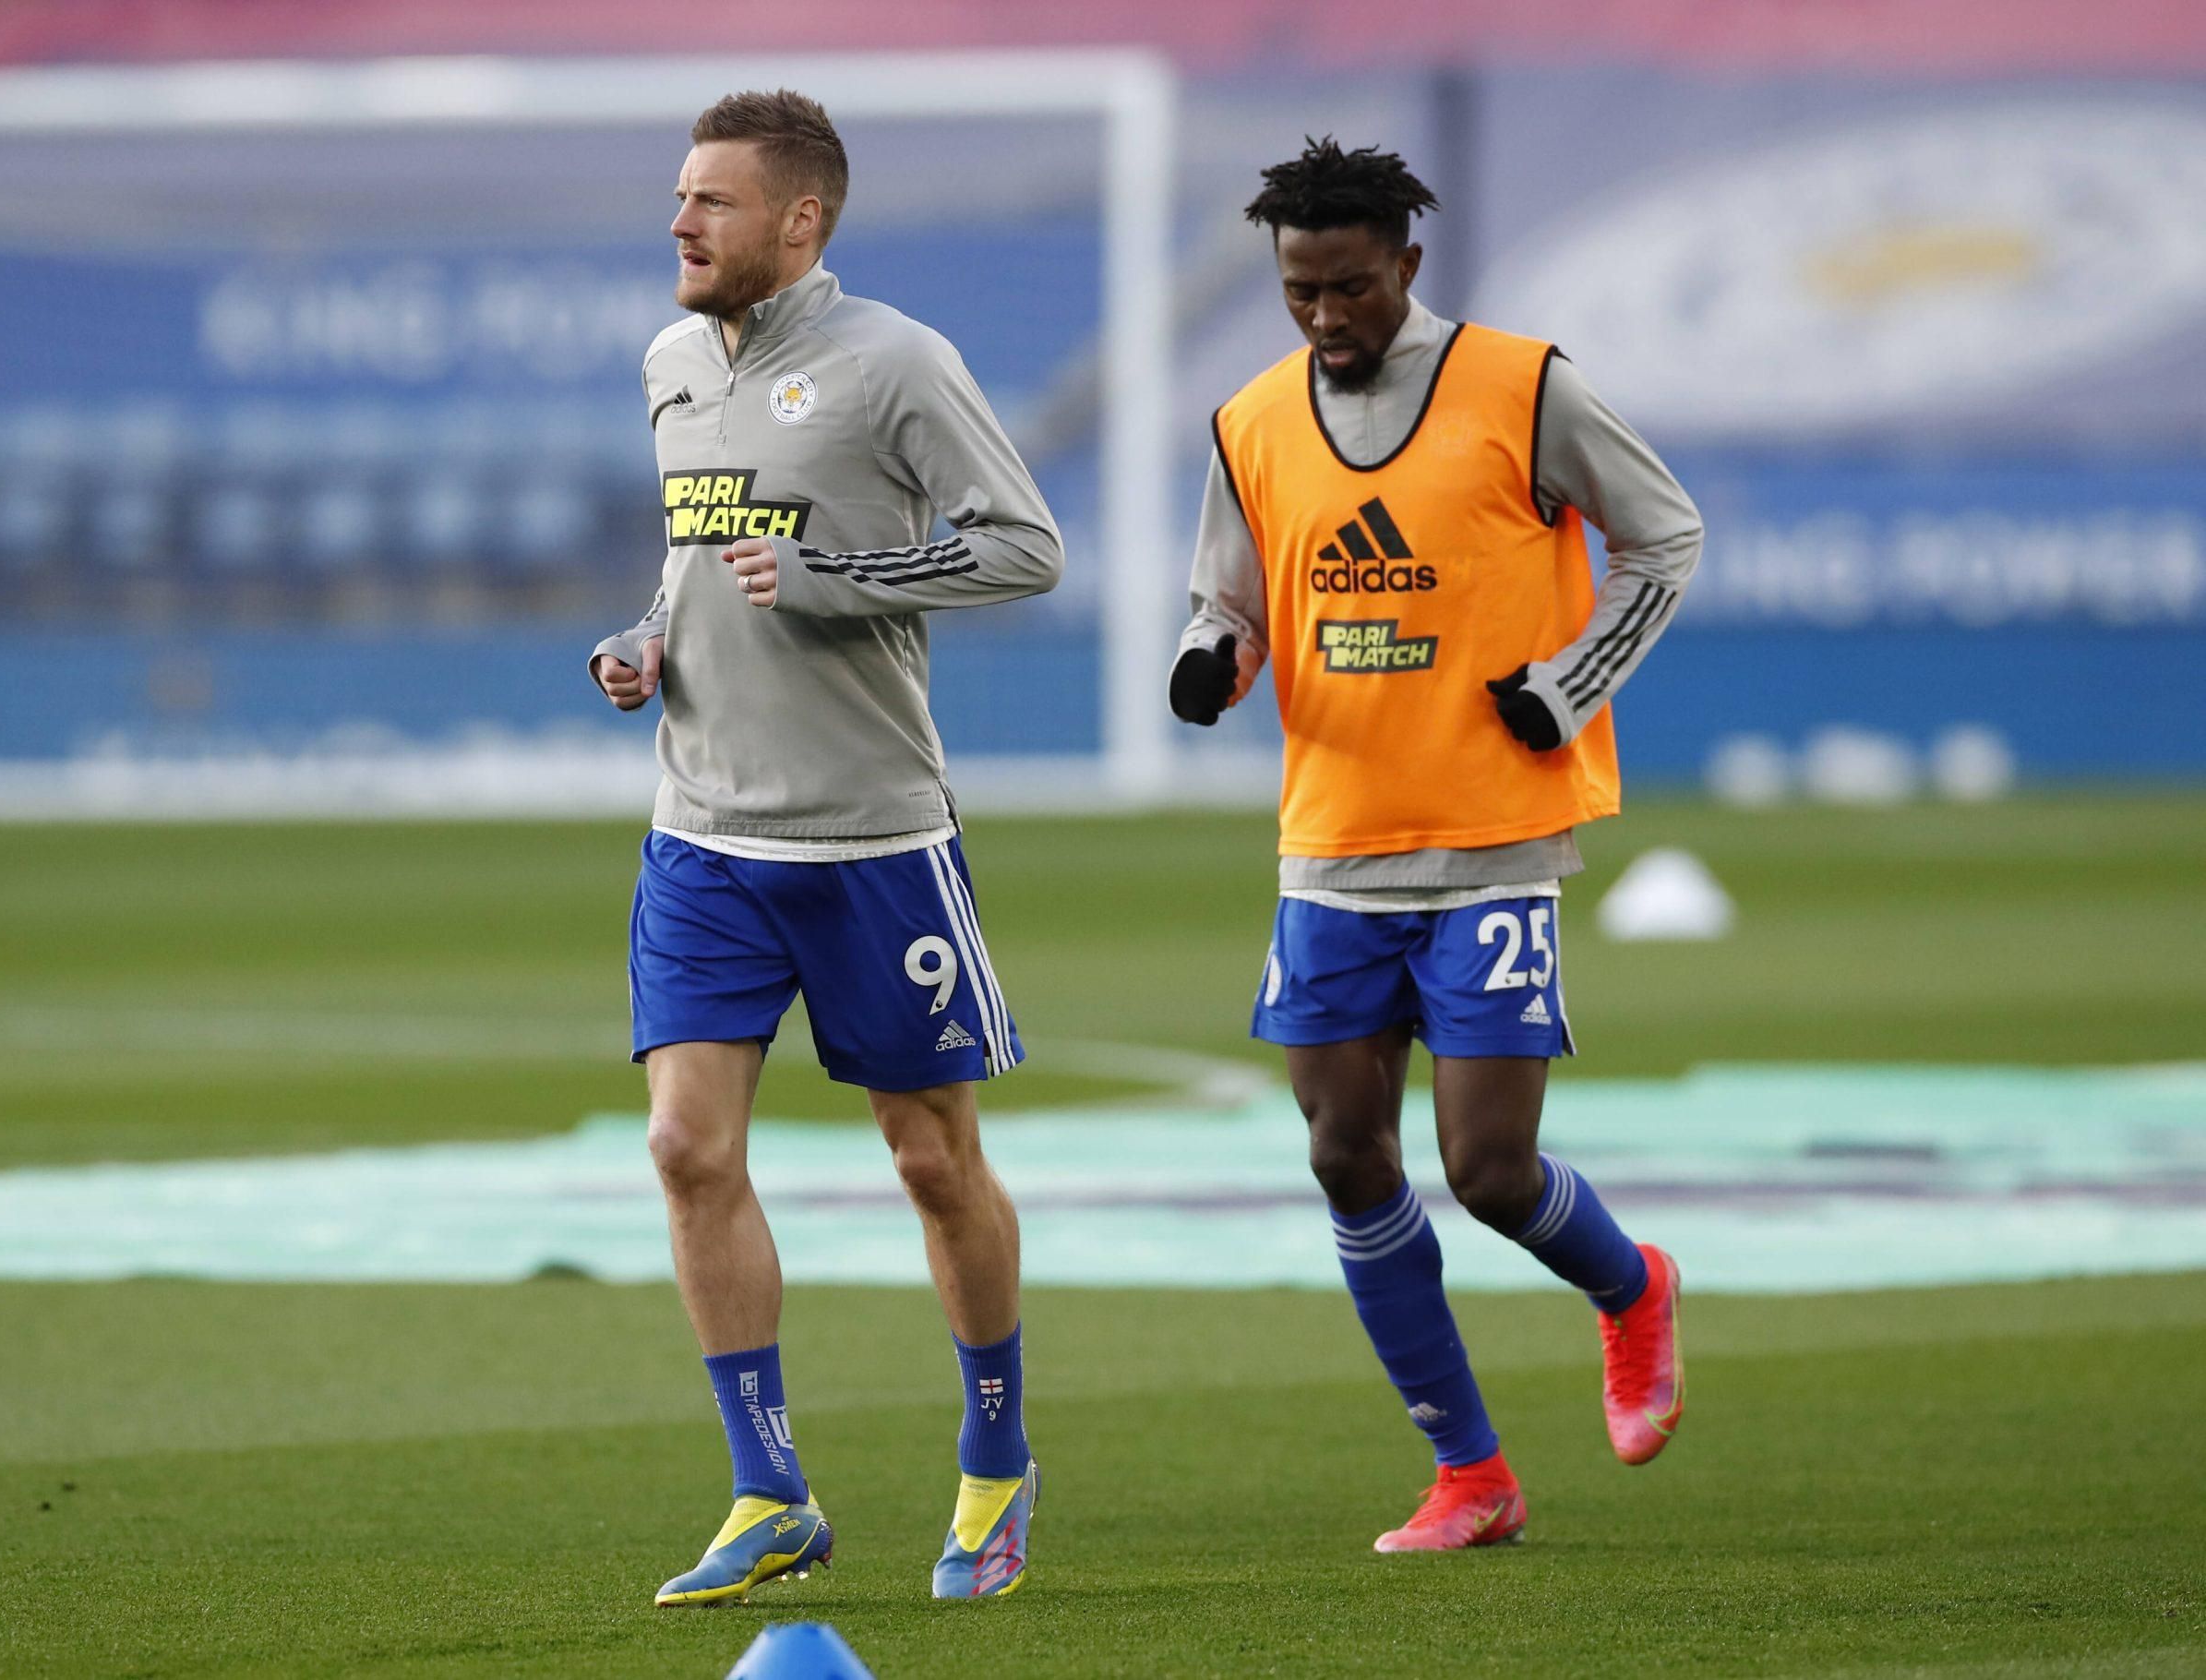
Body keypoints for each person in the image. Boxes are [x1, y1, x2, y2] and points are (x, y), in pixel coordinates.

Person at [1172, 137, 1702, 1553]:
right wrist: (1211, 658)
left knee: (1486, 1171)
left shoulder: (1524, 388)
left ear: (1407, 264)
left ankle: (1630, 1285)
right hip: (1331, 846)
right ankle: (1473, 1475)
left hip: (1492, 840)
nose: (1328, 318)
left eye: (1353, 288)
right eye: (1301, 293)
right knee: (1346, 1154)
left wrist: (1569, 684)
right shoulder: (1249, 421)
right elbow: (1230, 599)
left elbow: (1665, 538)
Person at [592, 89, 1061, 1605]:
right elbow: (696, 539)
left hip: (871, 842)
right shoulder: (670, 364)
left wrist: (837, 573)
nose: (681, 223)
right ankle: (767, 1489)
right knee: (683, 1146)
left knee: (932, 1161)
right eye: (680, 197)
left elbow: (1022, 546)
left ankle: (995, 1461)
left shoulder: (898, 363)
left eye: (713, 203)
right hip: (703, 836)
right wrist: (652, 634)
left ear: (800, 221)